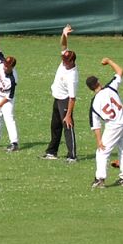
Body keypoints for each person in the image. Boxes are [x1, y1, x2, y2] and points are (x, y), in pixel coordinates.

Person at [88, 57, 123, 188]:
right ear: (98, 82)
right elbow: (120, 71)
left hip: (113, 126)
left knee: (102, 152)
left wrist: (99, 141)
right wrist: (109, 61)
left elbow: (96, 125)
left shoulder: (94, 103)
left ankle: (100, 179)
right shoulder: (110, 87)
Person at [43, 25, 79, 161]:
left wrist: (68, 115)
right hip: (57, 98)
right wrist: (64, 34)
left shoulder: (72, 77)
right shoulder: (65, 59)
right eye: (63, 59)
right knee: (55, 126)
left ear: (72, 61)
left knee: (68, 126)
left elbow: (72, 98)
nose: (63, 62)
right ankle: (52, 152)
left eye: (66, 61)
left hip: (65, 100)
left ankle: (72, 156)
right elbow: (63, 45)